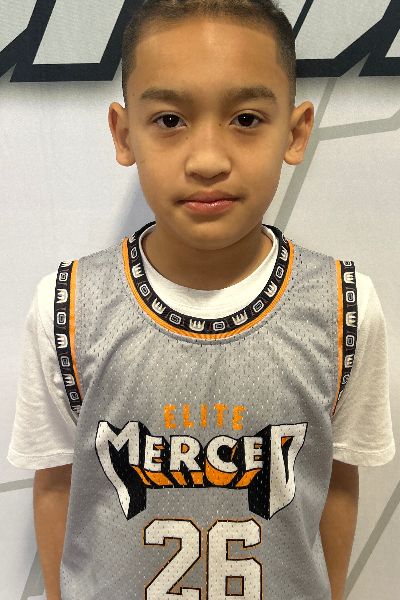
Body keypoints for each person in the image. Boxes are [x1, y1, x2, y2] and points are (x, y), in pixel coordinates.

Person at [8, 1, 395, 599]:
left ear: (295, 133)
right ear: (124, 133)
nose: (208, 160)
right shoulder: (69, 308)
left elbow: (338, 483)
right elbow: (58, 483)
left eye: (246, 118)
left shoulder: (345, 307)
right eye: (169, 120)